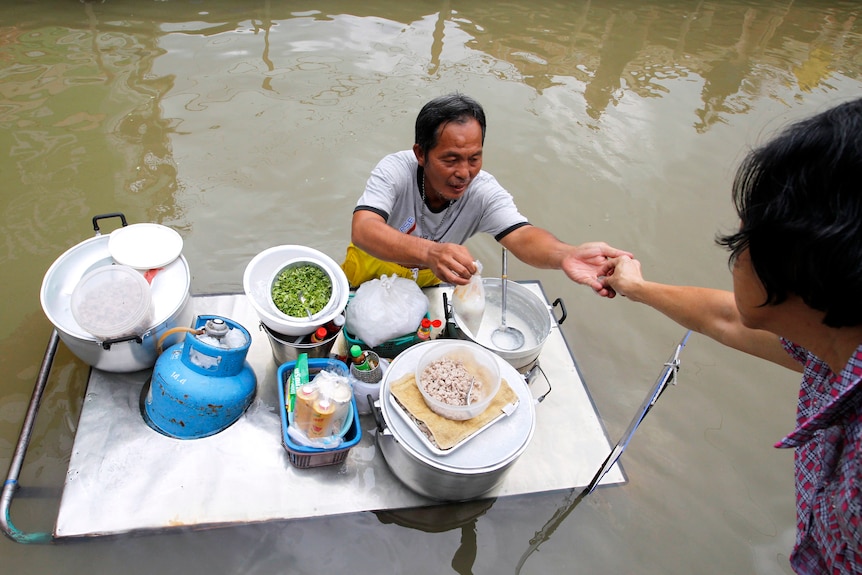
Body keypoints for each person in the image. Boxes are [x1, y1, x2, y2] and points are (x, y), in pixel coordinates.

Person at [603, 97, 862, 574]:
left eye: (743, 241)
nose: (737, 253)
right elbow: (727, 318)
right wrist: (636, 288)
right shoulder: (834, 344)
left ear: (796, 259)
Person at [341, 93, 630, 294]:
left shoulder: (483, 192)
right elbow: (364, 230)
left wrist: (566, 255)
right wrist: (430, 252)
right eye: (451, 159)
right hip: (372, 261)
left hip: (428, 277)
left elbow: (523, 236)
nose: (464, 172)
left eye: (474, 158)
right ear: (421, 153)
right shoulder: (395, 169)